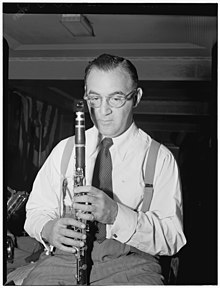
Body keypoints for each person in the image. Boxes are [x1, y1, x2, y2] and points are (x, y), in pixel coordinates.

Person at [22, 54, 186, 285]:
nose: (103, 110)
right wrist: (49, 228)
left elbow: (172, 239)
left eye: (116, 98)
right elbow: (36, 212)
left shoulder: (160, 159)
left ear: (136, 98)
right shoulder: (64, 149)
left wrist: (116, 214)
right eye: (94, 98)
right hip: (64, 260)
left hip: (133, 265)